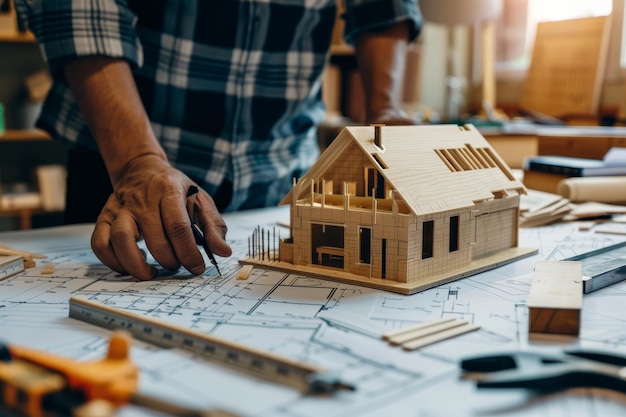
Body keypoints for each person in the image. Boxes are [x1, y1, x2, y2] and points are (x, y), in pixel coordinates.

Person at [15, 0, 422, 281]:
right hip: (120, 167)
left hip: (281, 169)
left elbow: (383, 6)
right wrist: (137, 161)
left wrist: (384, 111)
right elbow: (80, 10)